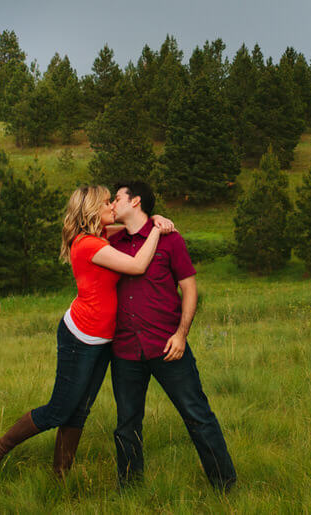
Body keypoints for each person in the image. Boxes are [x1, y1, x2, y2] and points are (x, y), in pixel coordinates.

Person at [0, 184, 175, 486]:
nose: (112, 206)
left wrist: (152, 217)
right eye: (106, 202)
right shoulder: (88, 245)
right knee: (60, 409)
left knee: (80, 410)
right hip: (80, 338)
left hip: (103, 339)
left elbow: (129, 220)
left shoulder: (99, 235)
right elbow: (136, 265)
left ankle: (60, 477)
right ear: (93, 210)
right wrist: (157, 231)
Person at [106, 180, 236, 491]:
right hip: (125, 349)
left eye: (117, 198)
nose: (111, 203)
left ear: (136, 201)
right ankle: (130, 490)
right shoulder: (112, 242)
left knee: (197, 415)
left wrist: (181, 334)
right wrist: (154, 219)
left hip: (167, 345)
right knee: (126, 425)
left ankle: (225, 485)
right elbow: (84, 229)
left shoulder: (171, 240)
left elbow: (189, 288)